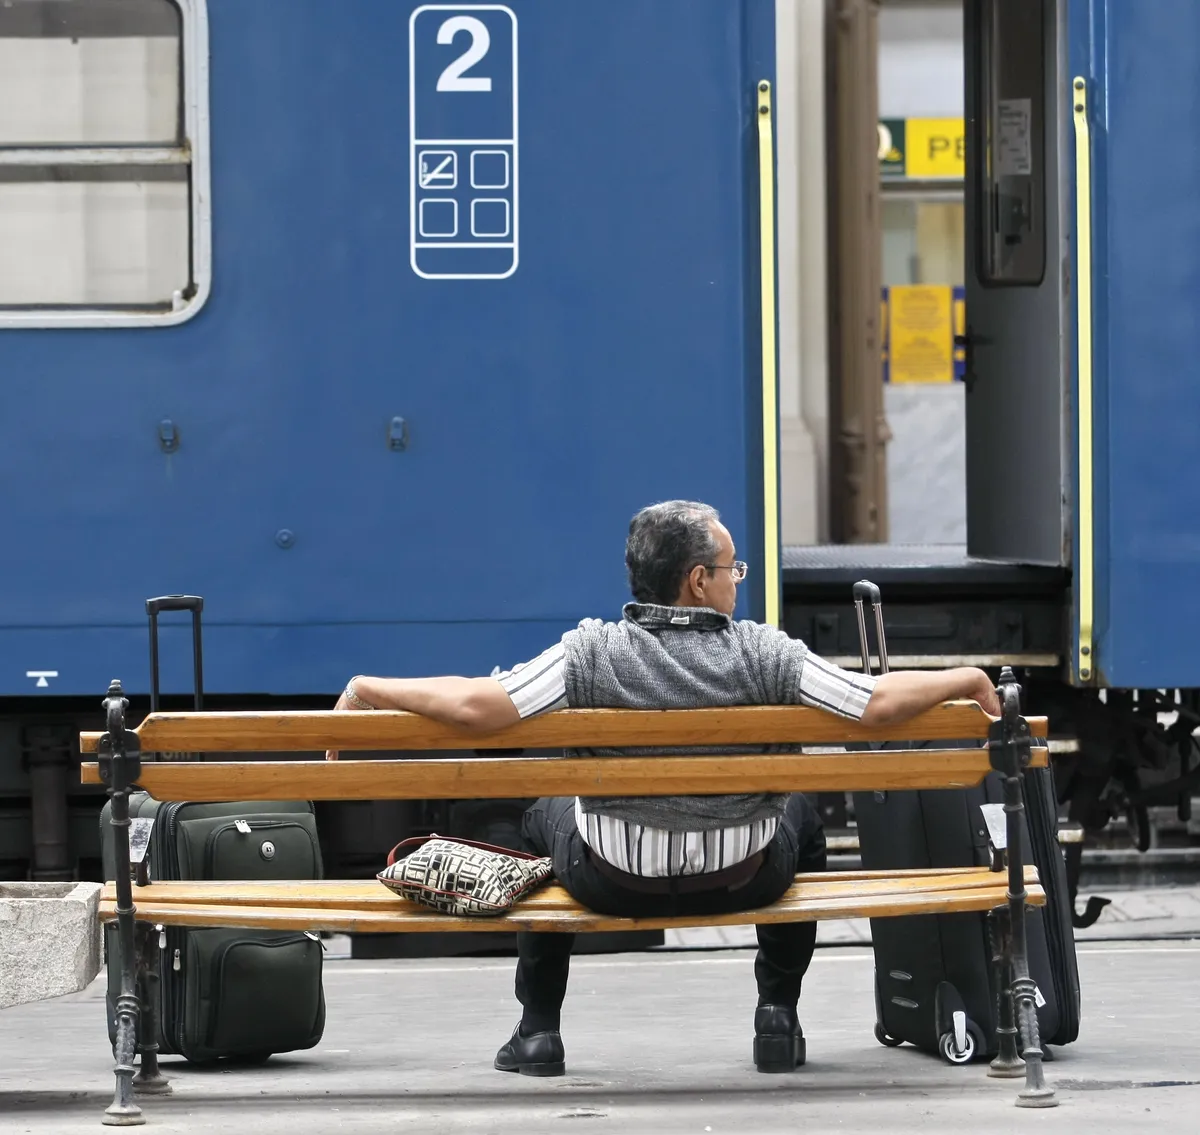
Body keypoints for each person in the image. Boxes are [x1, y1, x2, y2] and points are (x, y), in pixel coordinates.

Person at [327, 501, 1001, 1076]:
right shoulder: (763, 653)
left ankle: (537, 1030)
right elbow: (873, 705)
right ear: (698, 580)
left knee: (542, 815)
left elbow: (479, 706)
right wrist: (967, 676)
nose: (738, 578)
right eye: (732, 567)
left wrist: (368, 688)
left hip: (613, 882)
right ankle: (777, 1013)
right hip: (745, 879)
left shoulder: (592, 653)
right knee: (801, 817)